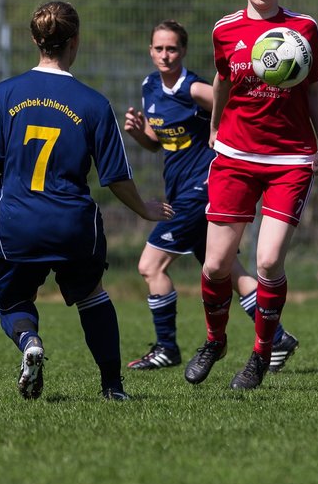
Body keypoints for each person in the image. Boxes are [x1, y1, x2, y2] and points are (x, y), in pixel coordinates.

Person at [0, 0, 172, 403]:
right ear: (76, 41)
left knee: (14, 300)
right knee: (92, 295)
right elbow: (116, 176)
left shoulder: (4, 93)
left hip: (15, 223)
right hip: (72, 225)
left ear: (35, 40)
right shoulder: (94, 104)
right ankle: (113, 387)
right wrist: (144, 209)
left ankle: (30, 340)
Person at [184, 0, 318, 390]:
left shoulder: (303, 28)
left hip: (290, 159)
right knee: (215, 267)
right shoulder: (225, 30)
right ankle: (215, 340)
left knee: (268, 262)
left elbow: (314, 92)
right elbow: (223, 81)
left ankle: (261, 354)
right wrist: (213, 127)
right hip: (234, 156)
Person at [122, 20, 299, 372]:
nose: (165, 55)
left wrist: (226, 132)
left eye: (172, 48)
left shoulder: (193, 89)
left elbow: (230, 98)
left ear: (183, 51)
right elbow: (159, 144)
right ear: (150, 50)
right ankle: (277, 337)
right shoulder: (150, 87)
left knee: (150, 265)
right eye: (159, 48)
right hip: (180, 189)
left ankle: (166, 347)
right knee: (227, 270)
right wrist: (140, 134)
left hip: (200, 190)